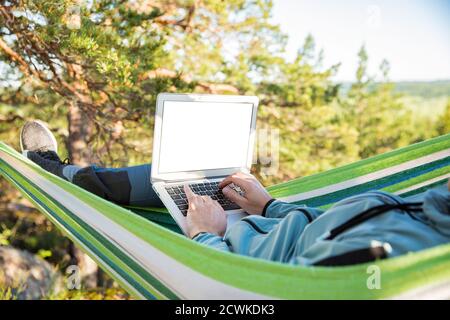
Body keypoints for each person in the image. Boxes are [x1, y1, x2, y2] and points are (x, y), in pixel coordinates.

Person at [21, 120, 450, 266]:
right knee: (185, 174)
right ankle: (75, 177)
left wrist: (205, 236)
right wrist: (270, 204)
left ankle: (59, 174)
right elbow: (334, 226)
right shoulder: (433, 212)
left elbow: (262, 295)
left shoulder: (402, 259)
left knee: (173, 183)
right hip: (262, 219)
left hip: (222, 251)